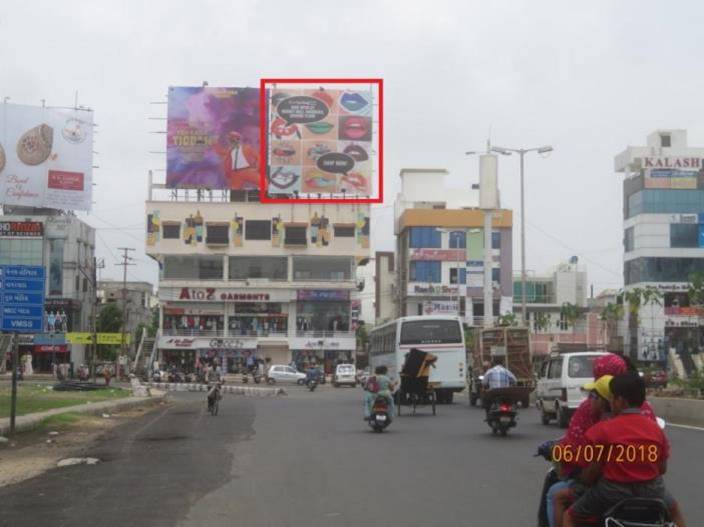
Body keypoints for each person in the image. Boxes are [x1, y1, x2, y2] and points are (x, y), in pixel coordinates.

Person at [545, 353, 656, 527]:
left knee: (557, 496)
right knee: (673, 510)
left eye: (594, 394)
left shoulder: (599, 426)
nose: (590, 398)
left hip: (609, 489)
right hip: (649, 488)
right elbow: (661, 465)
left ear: (613, 400)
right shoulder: (648, 416)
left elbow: (588, 465)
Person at [563, 373, 686, 527]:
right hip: (652, 490)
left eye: (613, 398)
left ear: (620, 401)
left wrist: (584, 479)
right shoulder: (655, 429)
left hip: (612, 493)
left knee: (569, 517)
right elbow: (661, 469)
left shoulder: (601, 430)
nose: (611, 402)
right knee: (675, 513)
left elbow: (591, 474)